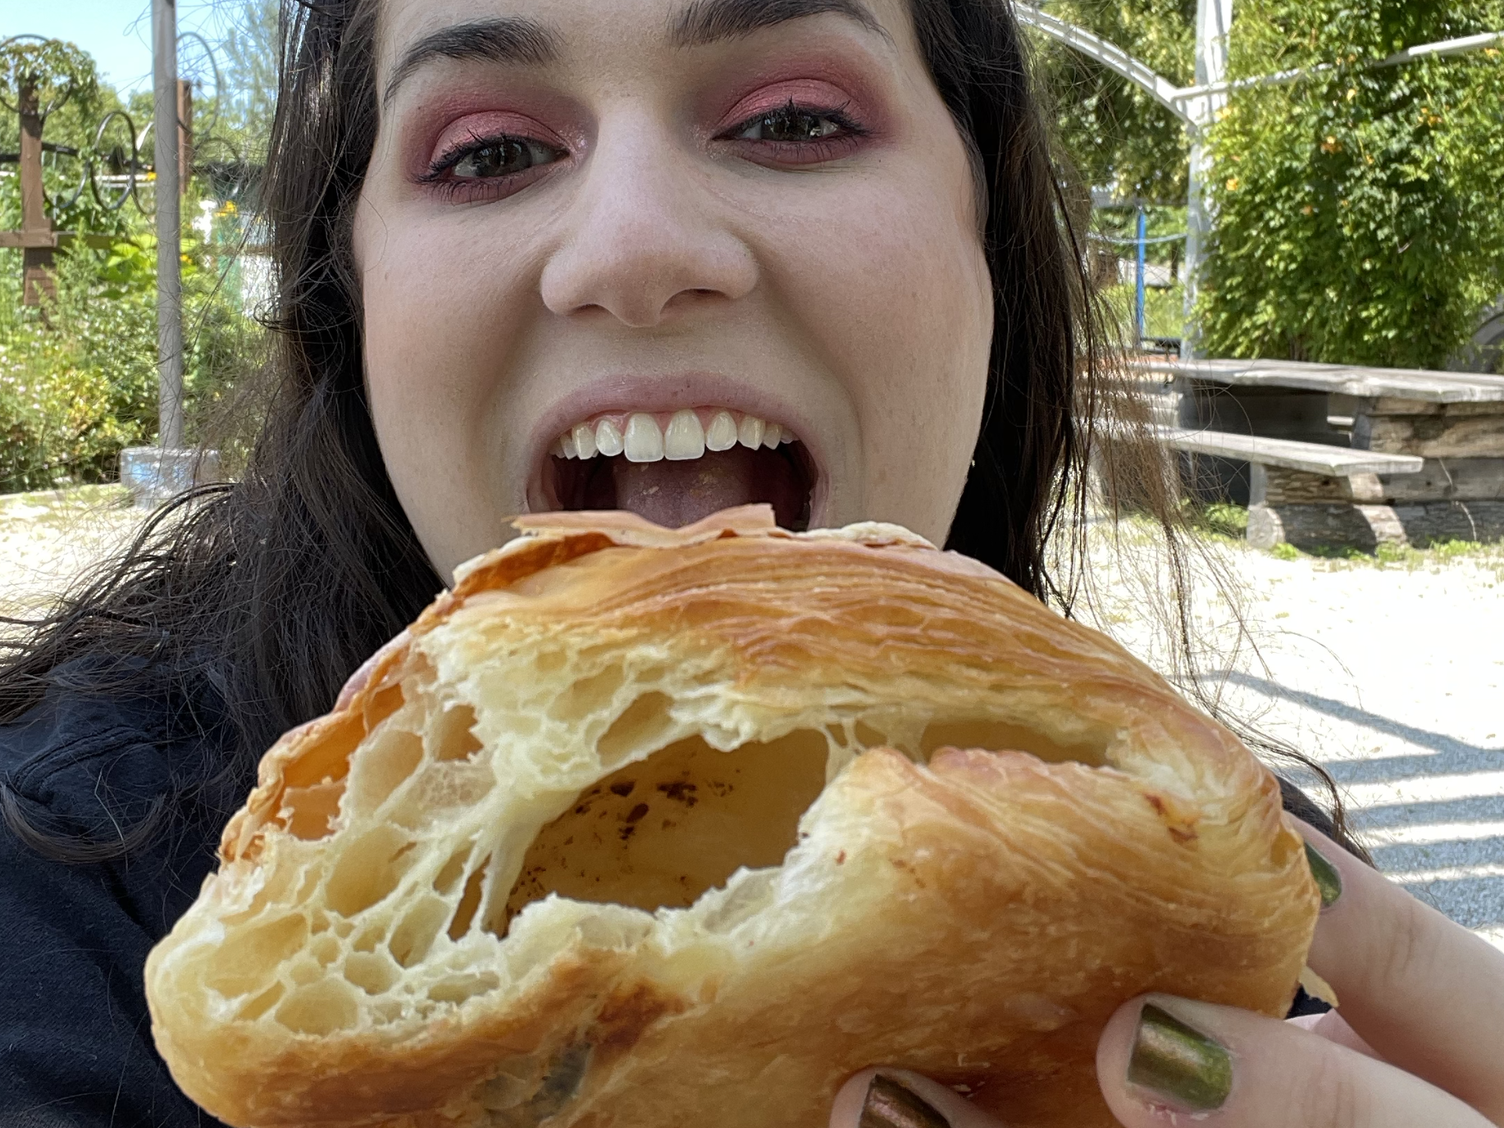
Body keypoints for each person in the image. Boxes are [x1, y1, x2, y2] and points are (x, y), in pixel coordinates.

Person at [0, 1, 1498, 1126]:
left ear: (991, 237)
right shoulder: (55, 902)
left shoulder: (1218, 912)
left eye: (791, 118)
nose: (635, 247)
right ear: (351, 297)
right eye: (493, 150)